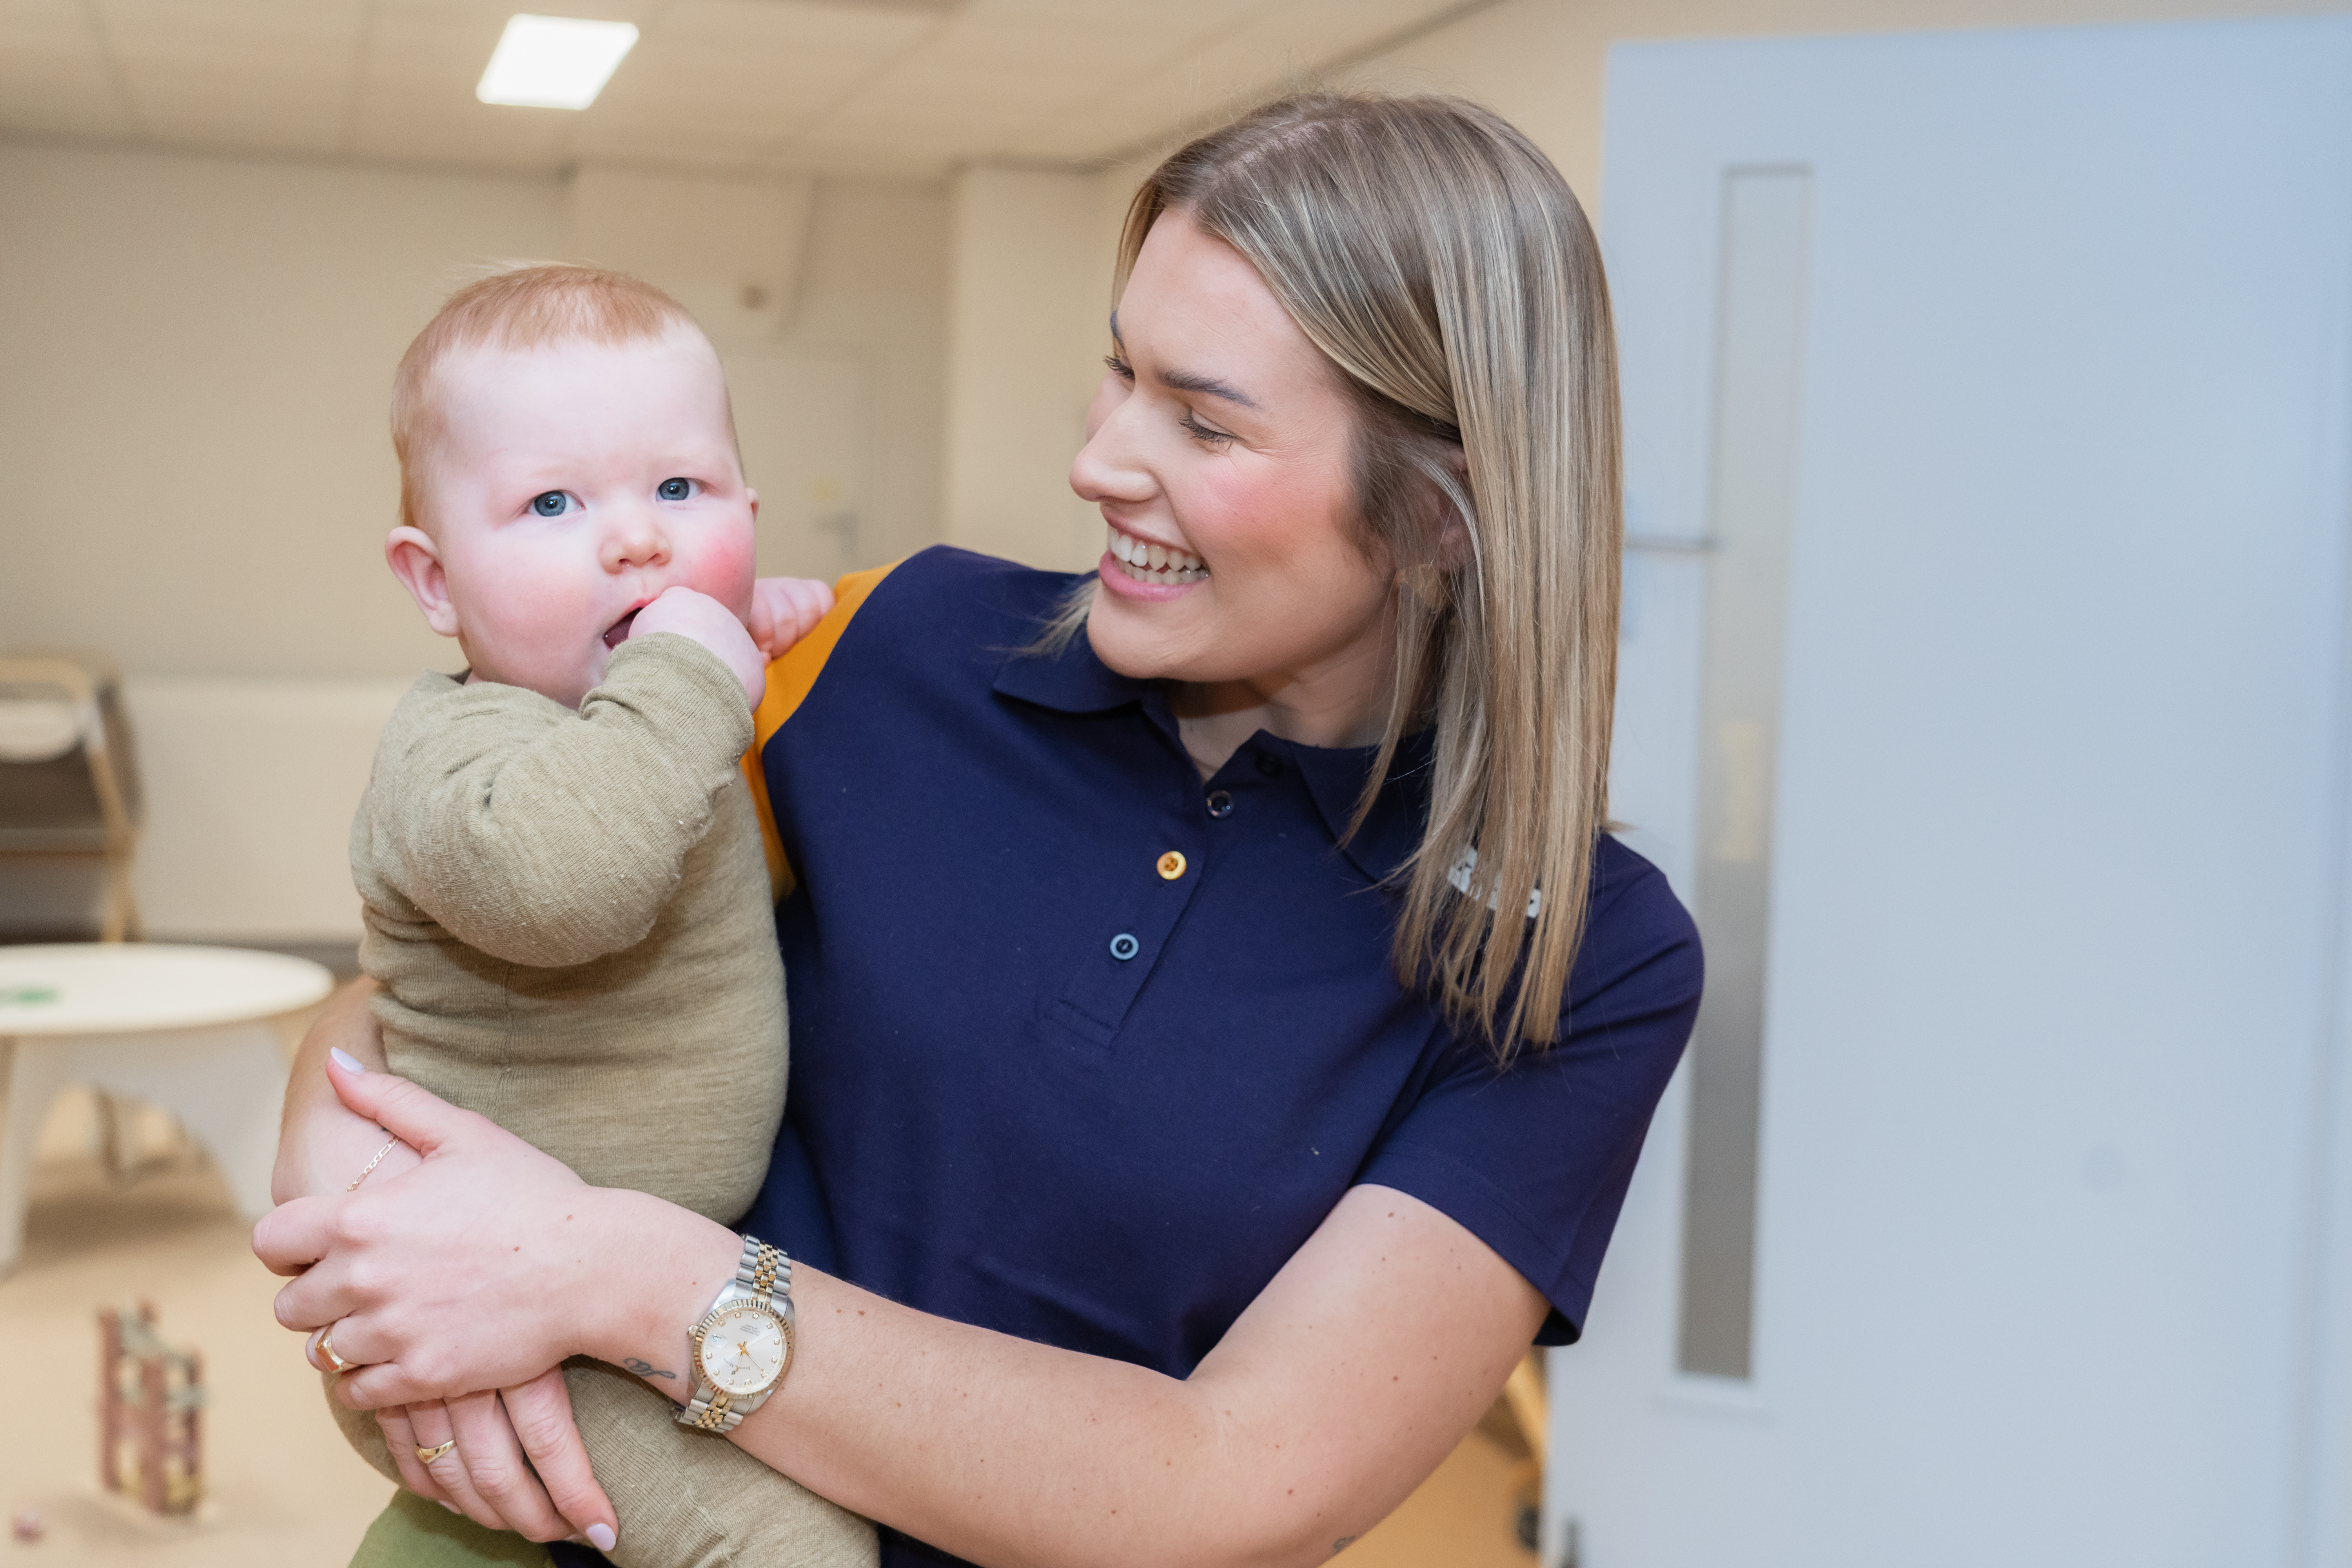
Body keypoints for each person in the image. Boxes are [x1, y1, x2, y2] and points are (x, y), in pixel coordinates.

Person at [258, 91, 1705, 1568]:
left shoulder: (1577, 955)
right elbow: (442, 984)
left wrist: (631, 1279)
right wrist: (370, 1237)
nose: (1100, 460)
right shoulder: (891, 642)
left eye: (1202, 419)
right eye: (1119, 370)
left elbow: (1229, 1489)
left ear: (1440, 517)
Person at [314, 262, 871, 1565]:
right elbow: (572, 887)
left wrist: (738, 633)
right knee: (795, 1546)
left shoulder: (652, 723)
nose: (636, 540)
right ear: (436, 581)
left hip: (612, 1288)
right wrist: (694, 664)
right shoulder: (456, 758)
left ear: (747, 509)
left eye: (680, 490)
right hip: (487, 1316)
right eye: (553, 501)